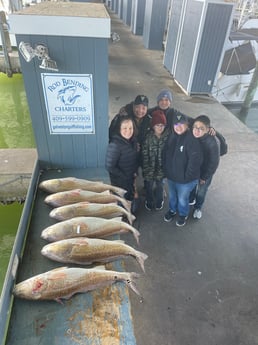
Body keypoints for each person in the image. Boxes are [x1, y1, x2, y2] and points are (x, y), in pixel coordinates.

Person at [163, 112, 203, 227]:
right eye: (176, 124)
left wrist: (186, 177)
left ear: (187, 125)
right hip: (172, 177)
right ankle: (172, 210)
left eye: (182, 124)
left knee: (182, 198)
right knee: (173, 196)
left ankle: (183, 214)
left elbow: (195, 162)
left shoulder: (192, 140)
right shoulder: (172, 136)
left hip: (185, 180)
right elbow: (166, 154)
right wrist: (167, 171)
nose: (178, 127)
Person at [190, 115, 220, 219]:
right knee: (192, 186)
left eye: (201, 128)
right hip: (194, 170)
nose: (197, 130)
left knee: (201, 191)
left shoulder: (213, 142)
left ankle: (198, 208)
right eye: (195, 127)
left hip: (205, 172)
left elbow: (214, 163)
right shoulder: (192, 135)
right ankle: (191, 199)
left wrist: (204, 177)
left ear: (207, 130)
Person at [105, 115, 139, 206]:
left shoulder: (133, 141)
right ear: (119, 129)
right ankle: (123, 216)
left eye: (130, 128)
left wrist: (135, 172)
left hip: (130, 179)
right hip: (120, 181)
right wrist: (124, 176)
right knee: (122, 203)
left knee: (131, 203)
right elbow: (109, 166)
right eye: (124, 128)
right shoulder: (115, 145)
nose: (128, 131)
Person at [142, 110, 169, 211]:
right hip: (149, 168)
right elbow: (144, 154)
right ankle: (149, 201)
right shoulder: (148, 137)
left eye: (162, 125)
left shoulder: (168, 137)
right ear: (153, 126)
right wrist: (145, 169)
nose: (160, 127)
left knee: (160, 186)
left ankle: (159, 201)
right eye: (157, 125)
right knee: (148, 186)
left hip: (161, 170)